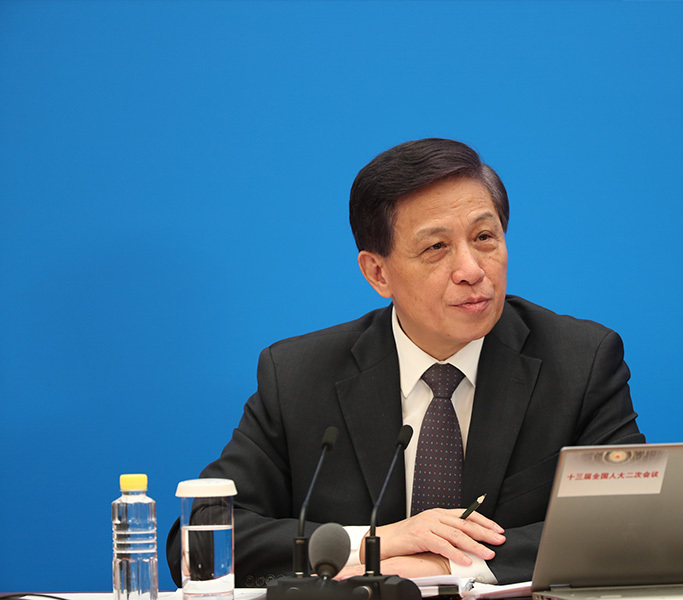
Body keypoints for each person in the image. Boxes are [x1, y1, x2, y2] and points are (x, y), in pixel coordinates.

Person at [165, 138, 645, 587]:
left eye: (484, 237)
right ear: (378, 272)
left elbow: (630, 522)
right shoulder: (298, 376)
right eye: (436, 247)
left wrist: (448, 564)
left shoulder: (579, 361)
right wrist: (378, 542)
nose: (472, 270)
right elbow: (198, 539)